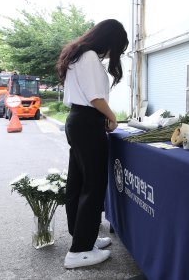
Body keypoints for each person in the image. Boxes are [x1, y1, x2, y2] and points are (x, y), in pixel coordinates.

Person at [56, 19, 128, 269]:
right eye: (117, 47)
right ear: (110, 40)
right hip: (87, 122)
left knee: (78, 183)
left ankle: (83, 237)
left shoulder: (79, 55)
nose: (113, 54)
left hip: (79, 121)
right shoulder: (88, 57)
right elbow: (95, 97)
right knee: (93, 184)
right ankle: (80, 251)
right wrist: (112, 116)